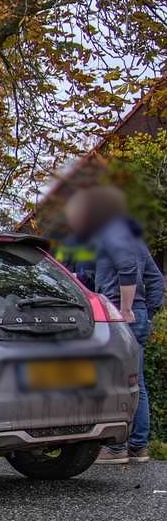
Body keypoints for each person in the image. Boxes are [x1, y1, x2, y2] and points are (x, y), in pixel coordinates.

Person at [64, 185, 163, 464]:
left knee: (116, 381)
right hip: (137, 316)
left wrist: (127, 309)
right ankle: (138, 446)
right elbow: (155, 278)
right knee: (135, 382)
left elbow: (127, 268)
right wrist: (149, 312)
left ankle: (116, 449)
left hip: (122, 316)